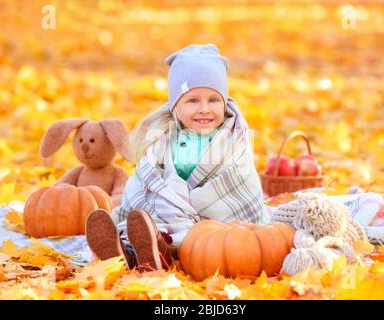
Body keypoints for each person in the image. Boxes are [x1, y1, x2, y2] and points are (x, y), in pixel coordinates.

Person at [85, 44, 270, 271]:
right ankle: (127, 252)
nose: (204, 109)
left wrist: (187, 205)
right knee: (144, 222)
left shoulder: (233, 141)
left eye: (213, 100)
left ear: (225, 102)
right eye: (193, 101)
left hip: (211, 224)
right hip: (163, 213)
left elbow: (238, 184)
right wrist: (168, 197)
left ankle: (164, 250)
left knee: (197, 238)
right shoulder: (162, 139)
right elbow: (147, 180)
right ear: (175, 106)